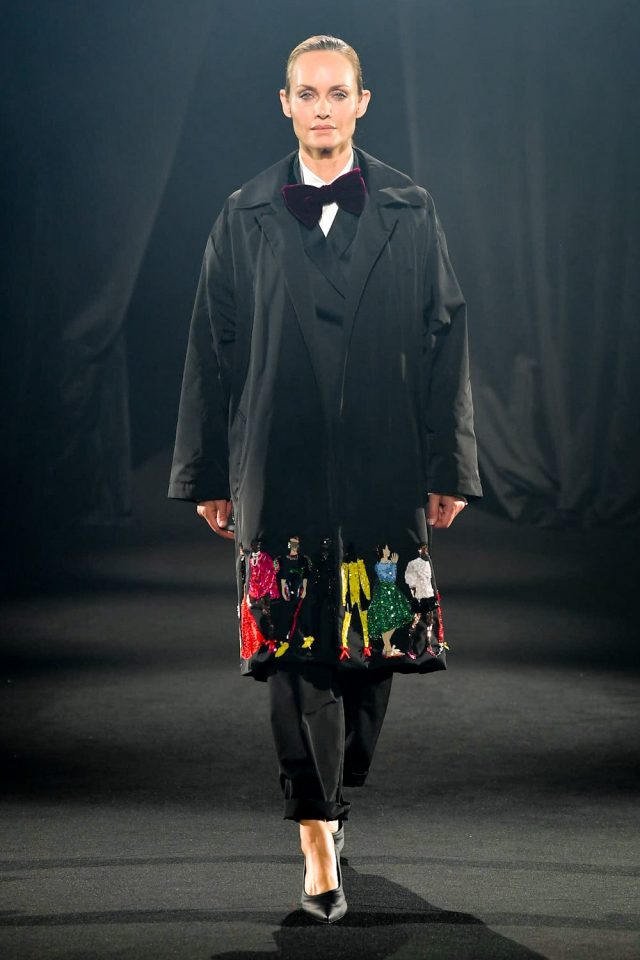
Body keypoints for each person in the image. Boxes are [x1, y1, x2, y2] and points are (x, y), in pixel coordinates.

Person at [169, 35, 482, 923]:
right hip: (281, 463)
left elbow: (445, 335)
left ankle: (337, 794)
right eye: (306, 93)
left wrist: (449, 461)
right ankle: (316, 834)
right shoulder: (243, 215)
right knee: (295, 652)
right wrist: (207, 470)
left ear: (361, 103)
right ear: (284, 104)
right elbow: (211, 345)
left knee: (375, 656)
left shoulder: (412, 209)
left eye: (336, 93)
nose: (321, 107)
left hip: (384, 463)